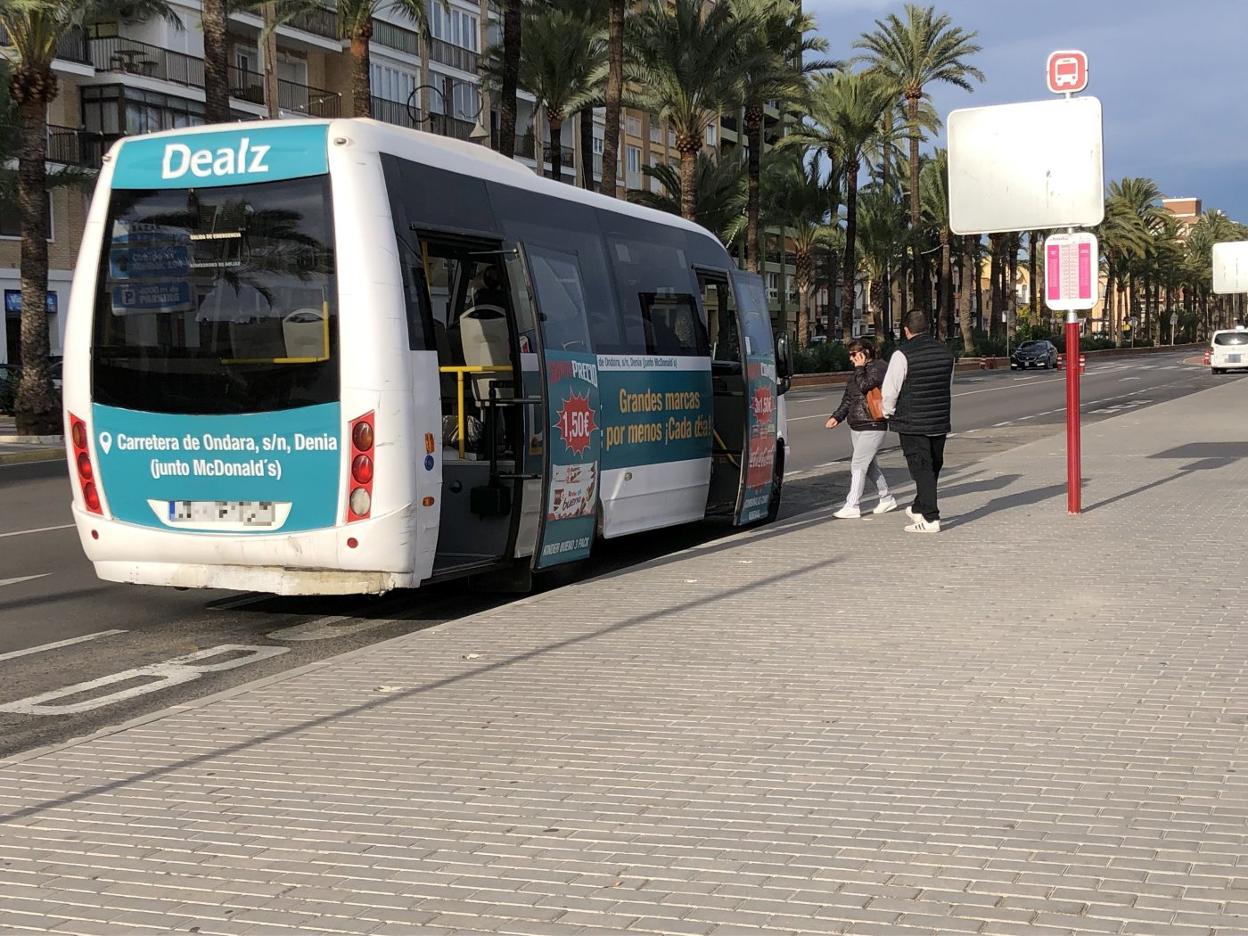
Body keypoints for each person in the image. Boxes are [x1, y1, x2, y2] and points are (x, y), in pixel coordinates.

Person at [881, 309, 955, 533]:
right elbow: (947, 385)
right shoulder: (946, 353)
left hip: (912, 421)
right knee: (933, 465)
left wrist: (887, 411)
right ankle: (919, 507)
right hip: (938, 419)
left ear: (906, 330)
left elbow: (891, 389)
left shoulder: (902, 354)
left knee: (921, 467)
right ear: (928, 328)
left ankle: (931, 519)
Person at [824, 339, 896, 519]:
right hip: (857, 424)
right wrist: (836, 417)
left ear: (865, 353)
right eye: (850, 355)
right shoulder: (857, 372)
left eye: (854, 354)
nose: (851, 358)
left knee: (857, 464)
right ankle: (886, 497)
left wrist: (860, 368)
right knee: (869, 465)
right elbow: (849, 398)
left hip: (873, 423)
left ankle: (853, 504)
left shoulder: (879, 367)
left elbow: (865, 386)